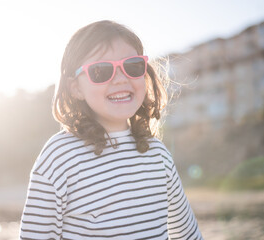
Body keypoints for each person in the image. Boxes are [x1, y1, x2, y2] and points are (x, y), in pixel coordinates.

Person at [20, 20, 203, 240]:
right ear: (76, 87)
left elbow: (188, 234)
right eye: (101, 71)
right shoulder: (60, 156)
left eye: (132, 66)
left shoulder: (158, 154)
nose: (120, 79)